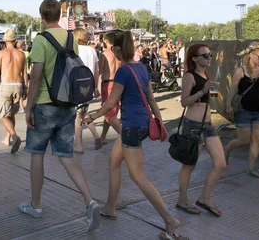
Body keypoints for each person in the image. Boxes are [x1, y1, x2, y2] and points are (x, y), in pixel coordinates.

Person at [83, 31, 186, 240]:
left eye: (114, 49)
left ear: (120, 49)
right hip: (142, 124)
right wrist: (160, 123)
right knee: (113, 162)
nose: (113, 52)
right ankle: (110, 206)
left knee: (138, 175)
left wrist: (92, 116)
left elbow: (111, 103)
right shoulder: (141, 68)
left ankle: (169, 220)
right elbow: (152, 99)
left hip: (131, 127)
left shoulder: (123, 72)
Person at [20, 0, 100, 233]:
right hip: (67, 105)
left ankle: (35, 205)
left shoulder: (41, 39)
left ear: (42, 16)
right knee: (66, 156)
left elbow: (36, 76)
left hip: (45, 106)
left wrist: (28, 107)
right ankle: (89, 201)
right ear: (59, 15)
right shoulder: (71, 38)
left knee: (37, 155)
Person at [175, 44, 226, 217]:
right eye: (205, 55)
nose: (209, 58)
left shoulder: (206, 74)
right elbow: (184, 101)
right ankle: (182, 200)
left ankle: (204, 198)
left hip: (208, 125)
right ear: (194, 58)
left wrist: (213, 93)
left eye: (210, 55)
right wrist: (203, 90)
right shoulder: (190, 76)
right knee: (189, 165)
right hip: (193, 125)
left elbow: (207, 100)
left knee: (220, 163)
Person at [224, 40, 259, 179]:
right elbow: (233, 89)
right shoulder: (240, 71)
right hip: (244, 111)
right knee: (244, 141)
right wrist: (228, 105)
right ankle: (227, 150)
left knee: (256, 140)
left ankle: (251, 168)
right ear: (250, 55)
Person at [0, 29, 28, 153]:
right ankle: (7, 138)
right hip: (18, 85)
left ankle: (15, 137)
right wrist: (25, 88)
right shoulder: (21, 54)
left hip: (6, 85)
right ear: (14, 41)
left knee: (2, 114)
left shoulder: (1, 53)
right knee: (11, 113)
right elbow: (25, 74)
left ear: (5, 41)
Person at [72, 28, 102, 154]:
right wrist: (95, 87)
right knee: (83, 113)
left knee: (77, 117)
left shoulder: (74, 51)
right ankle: (96, 136)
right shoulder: (92, 50)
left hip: (76, 86)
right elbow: (96, 70)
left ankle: (79, 145)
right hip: (89, 85)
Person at [99, 32, 123, 141]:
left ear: (107, 41)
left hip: (107, 83)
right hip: (119, 83)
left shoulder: (104, 54)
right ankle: (103, 137)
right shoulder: (119, 53)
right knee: (112, 111)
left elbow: (99, 70)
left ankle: (124, 136)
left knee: (109, 113)